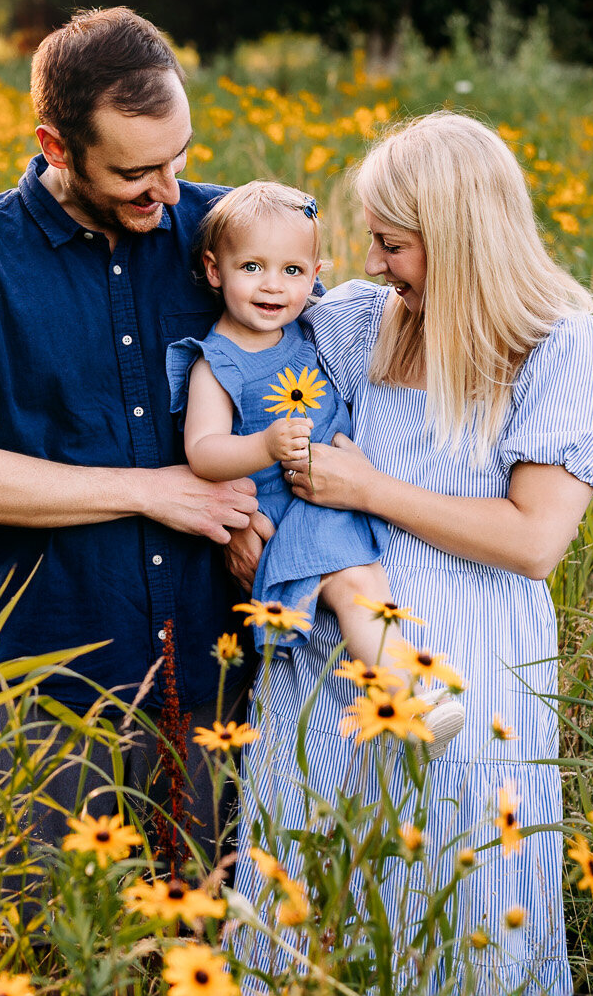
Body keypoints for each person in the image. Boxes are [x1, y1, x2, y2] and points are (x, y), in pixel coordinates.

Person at [235, 110, 593, 996]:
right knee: (306, 890)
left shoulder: (562, 346)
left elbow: (536, 539)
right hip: (327, 659)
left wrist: (371, 486)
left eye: (393, 242)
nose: (370, 262)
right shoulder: (355, 321)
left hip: (468, 670)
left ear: (458, 236)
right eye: (370, 236)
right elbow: (260, 386)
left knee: (460, 903)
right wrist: (254, 524)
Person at [0, 7, 268, 865]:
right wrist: (150, 489)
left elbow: (322, 386)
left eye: (179, 157)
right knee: (54, 954)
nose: (168, 190)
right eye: (137, 171)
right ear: (57, 147)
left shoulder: (231, 238)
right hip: (48, 684)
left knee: (216, 951)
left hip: (223, 673)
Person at [168, 180, 465, 757]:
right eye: (251, 266)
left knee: (372, 586)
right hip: (290, 505)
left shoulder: (309, 328)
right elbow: (203, 451)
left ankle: (402, 695)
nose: (273, 285)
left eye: (293, 271)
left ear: (316, 274)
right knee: (359, 588)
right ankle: (404, 703)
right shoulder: (217, 360)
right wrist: (266, 446)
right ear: (213, 269)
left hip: (333, 494)